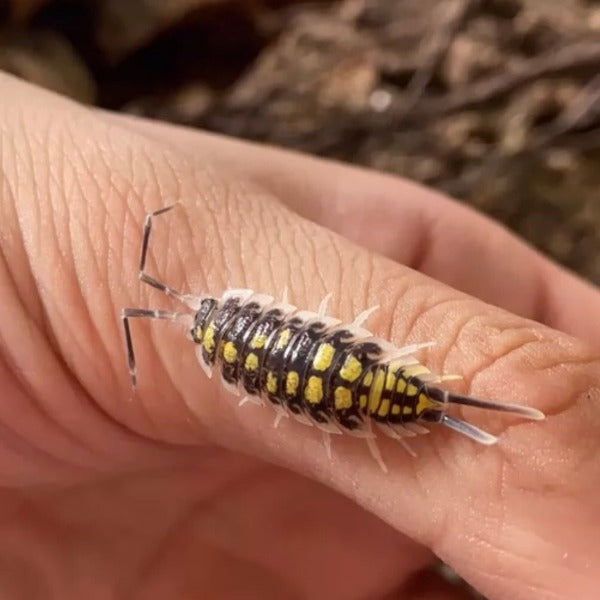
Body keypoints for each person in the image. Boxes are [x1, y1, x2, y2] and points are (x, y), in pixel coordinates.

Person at [0, 73, 598, 600]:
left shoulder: (235, 368)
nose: (187, 309)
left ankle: (449, 412)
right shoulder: (247, 339)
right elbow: (308, 327)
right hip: (344, 369)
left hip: (343, 379)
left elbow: (296, 356)